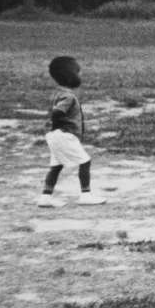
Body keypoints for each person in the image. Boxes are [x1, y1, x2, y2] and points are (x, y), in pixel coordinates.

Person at [36, 56, 106, 207]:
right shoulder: (68, 96)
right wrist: (61, 127)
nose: (81, 75)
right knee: (85, 162)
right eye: (78, 72)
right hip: (64, 135)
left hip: (54, 136)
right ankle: (86, 195)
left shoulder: (58, 93)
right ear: (70, 76)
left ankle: (45, 198)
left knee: (56, 166)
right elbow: (58, 112)